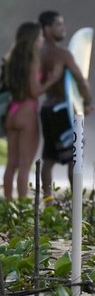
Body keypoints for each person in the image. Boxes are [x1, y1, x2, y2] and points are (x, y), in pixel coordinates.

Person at [3, 22, 63, 200]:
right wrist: (52, 80)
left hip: (12, 112)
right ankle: (21, 205)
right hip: (27, 111)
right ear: (33, 39)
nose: (42, 40)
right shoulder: (33, 59)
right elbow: (35, 91)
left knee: (11, 164)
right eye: (40, 37)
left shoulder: (11, 59)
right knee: (24, 164)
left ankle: (7, 204)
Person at [38, 11, 94, 199]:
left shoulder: (39, 53)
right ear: (46, 29)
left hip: (47, 108)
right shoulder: (62, 54)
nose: (63, 28)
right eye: (58, 25)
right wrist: (87, 103)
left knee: (49, 158)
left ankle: (48, 202)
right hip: (64, 109)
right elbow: (81, 80)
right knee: (74, 156)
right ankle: (76, 202)